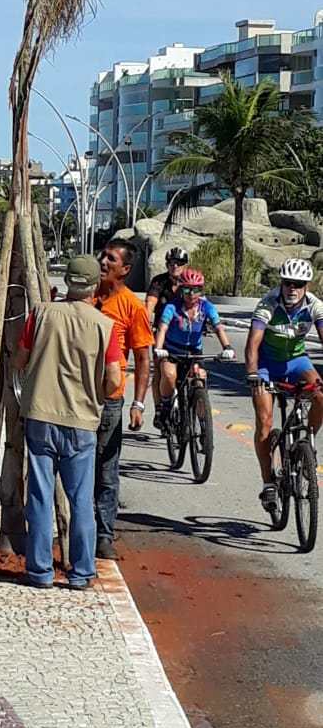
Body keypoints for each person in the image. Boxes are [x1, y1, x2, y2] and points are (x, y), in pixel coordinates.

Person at [13, 255, 122, 590]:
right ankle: (81, 572)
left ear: (69, 281)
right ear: (94, 285)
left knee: (40, 495)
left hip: (40, 416)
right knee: (80, 500)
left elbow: (21, 359)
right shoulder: (105, 326)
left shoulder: (41, 313)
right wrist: (98, 391)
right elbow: (115, 380)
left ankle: (40, 571)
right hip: (81, 422)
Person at [244, 257, 323, 514]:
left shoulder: (315, 306)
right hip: (267, 364)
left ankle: (307, 448)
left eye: (298, 284)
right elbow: (252, 345)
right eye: (288, 283)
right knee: (265, 423)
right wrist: (253, 374)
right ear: (281, 283)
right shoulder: (268, 303)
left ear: (306, 287)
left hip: (296, 362)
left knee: (321, 395)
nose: (292, 289)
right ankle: (268, 482)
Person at [93, 238, 154, 560]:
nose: (103, 262)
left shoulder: (132, 306)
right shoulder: (85, 295)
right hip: (76, 396)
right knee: (75, 465)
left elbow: (143, 359)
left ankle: (103, 536)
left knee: (105, 468)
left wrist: (138, 403)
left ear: (126, 269)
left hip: (110, 400)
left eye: (111, 259)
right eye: (102, 256)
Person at [153, 266, 235, 422]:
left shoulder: (207, 307)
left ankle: (203, 421)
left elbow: (218, 327)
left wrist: (227, 347)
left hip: (194, 352)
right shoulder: (172, 307)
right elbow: (162, 328)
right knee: (169, 375)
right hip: (172, 351)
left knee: (200, 377)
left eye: (196, 290)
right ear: (181, 290)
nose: (192, 295)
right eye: (187, 290)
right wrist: (158, 348)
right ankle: (165, 405)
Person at [146, 247, 189, 429]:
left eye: (179, 263)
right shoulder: (159, 282)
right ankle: (160, 408)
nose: (175, 266)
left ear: (185, 265)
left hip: (185, 332)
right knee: (161, 370)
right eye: (171, 263)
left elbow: (202, 304)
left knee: (195, 375)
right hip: (162, 333)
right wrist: (147, 320)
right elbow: (150, 303)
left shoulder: (190, 282)